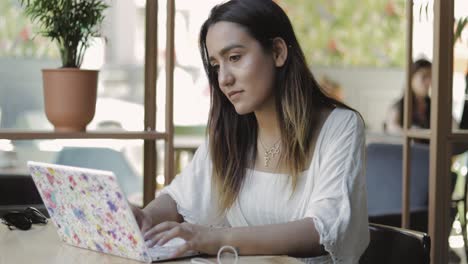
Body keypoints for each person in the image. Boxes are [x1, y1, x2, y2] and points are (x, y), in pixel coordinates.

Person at [131, 0, 369, 263]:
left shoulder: (340, 127)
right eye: (216, 65)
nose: (223, 79)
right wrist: (146, 218)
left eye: (234, 58)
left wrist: (211, 239)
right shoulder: (229, 134)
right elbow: (181, 197)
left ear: (278, 52)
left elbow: (321, 231)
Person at [384, 59, 432, 134]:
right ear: (411, 78)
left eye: (431, 77)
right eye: (424, 77)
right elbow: (391, 127)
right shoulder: (399, 106)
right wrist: (411, 133)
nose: (429, 82)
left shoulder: (434, 106)